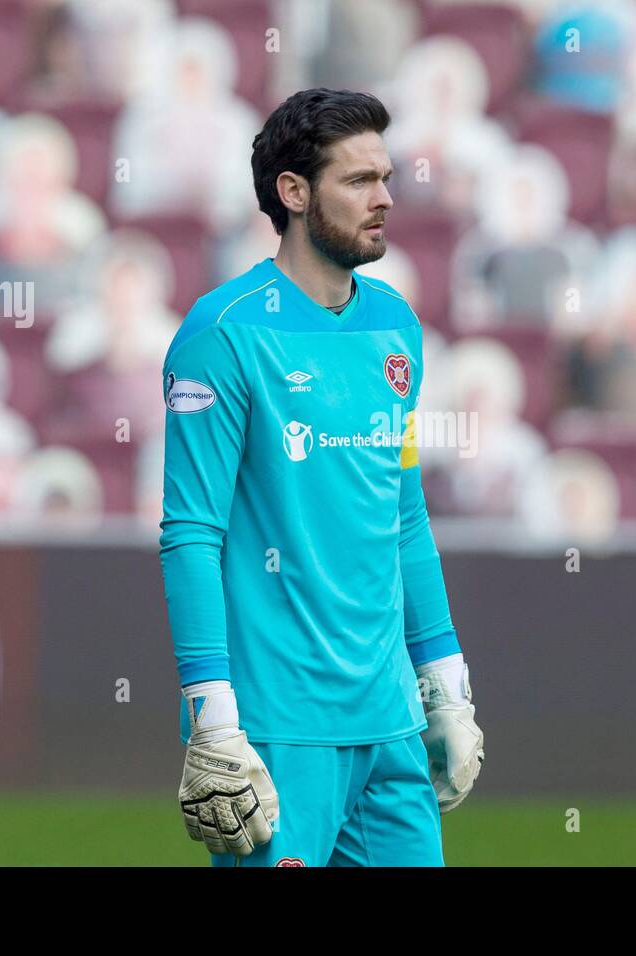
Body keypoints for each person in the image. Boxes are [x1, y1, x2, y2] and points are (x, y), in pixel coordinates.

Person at [159, 88, 484, 868]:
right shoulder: (223, 334)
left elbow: (403, 519)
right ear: (294, 193)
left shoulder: (395, 325)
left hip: (389, 723)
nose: (386, 198)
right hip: (277, 730)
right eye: (360, 181)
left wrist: (444, 682)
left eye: (387, 176)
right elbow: (191, 532)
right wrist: (212, 718)